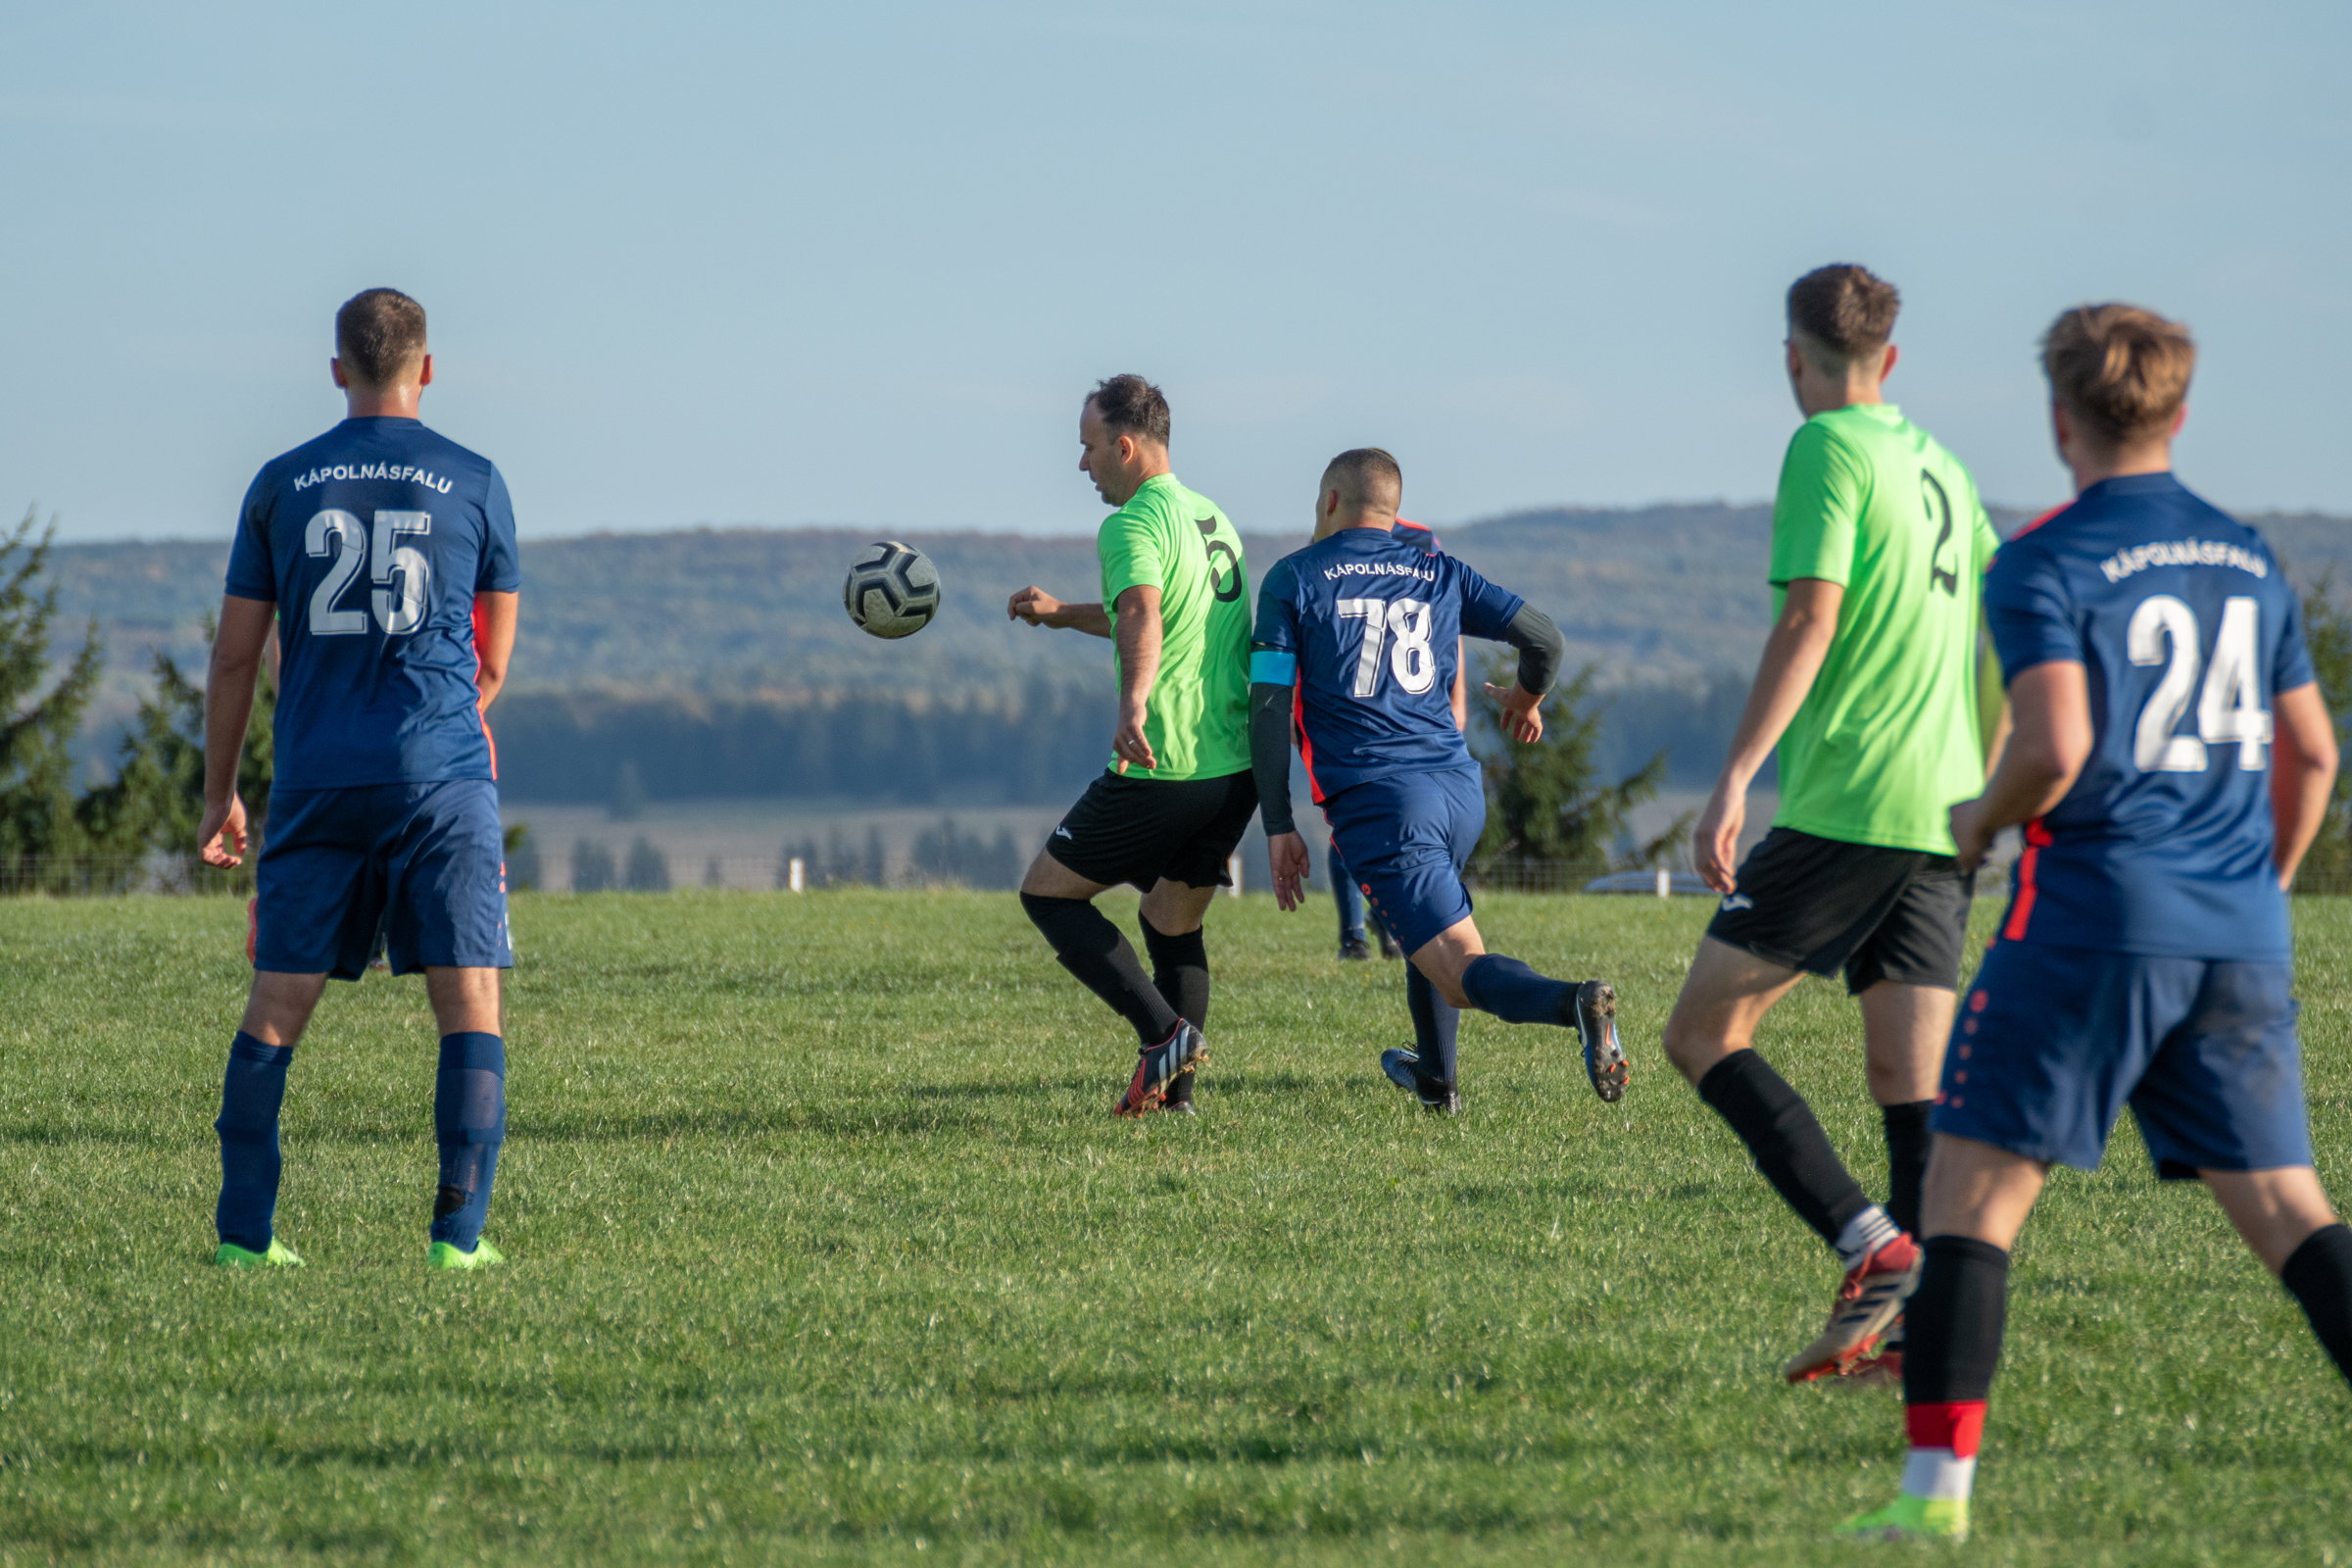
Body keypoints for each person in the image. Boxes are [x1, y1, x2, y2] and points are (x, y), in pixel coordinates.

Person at [1840, 305, 2352, 1543]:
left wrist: (1973, 819)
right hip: (2235, 929)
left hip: (2092, 919)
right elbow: (2315, 755)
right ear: (2179, 414)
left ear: (2059, 415)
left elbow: (2057, 742)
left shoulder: (2046, 559)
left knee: (1968, 1193)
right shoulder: (2246, 555)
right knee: (2289, 1207)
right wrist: (2260, 884)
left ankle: (1933, 1504)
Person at [1658, 264, 2002, 1382]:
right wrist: (1988, 791)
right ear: (1890, 359)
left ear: (1793, 358)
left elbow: (1813, 614)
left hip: (1851, 795)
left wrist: (1735, 777)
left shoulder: (1826, 448)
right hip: (1943, 808)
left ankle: (1872, 1247)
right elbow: (1997, 644)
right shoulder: (1945, 469)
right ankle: (1916, 1333)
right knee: (1909, 1084)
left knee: (1702, 1032)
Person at [199, 287, 520, 1270]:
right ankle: (457, 1242)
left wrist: (220, 795)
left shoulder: (281, 482)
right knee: (469, 1002)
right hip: (439, 773)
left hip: (317, 779)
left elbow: (234, 659)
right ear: (426, 368)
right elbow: (491, 665)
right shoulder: (474, 480)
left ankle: (246, 1239)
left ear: (338, 369)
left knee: (275, 1005)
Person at [1251, 448, 1626, 1112]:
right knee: (1430, 932)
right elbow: (1545, 639)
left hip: (1384, 803)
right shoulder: (1437, 569)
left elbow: (1269, 707)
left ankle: (1574, 1002)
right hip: (1458, 791)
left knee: (1457, 970)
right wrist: (1525, 701)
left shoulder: (1294, 579)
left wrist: (1278, 824)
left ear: (1331, 501)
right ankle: (1436, 1078)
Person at [1006, 374, 1255, 1116]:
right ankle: (1178, 1100)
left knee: (1047, 894)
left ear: (1124, 445)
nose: (1082, 465)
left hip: (1163, 760)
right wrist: (1058, 615)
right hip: (1234, 766)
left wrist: (1133, 703)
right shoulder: (1212, 519)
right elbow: (1149, 612)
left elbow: (1143, 611)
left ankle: (1161, 1035)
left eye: (1088, 448)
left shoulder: (1128, 525)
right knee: (1171, 919)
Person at [1330, 516, 1459, 963]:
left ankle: (1383, 930)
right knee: (1356, 828)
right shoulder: (1335, 537)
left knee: (1390, 832)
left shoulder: (1419, 542)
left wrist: (1454, 707)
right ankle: (1356, 935)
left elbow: (1446, 631)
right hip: (1361, 716)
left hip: (1404, 718)